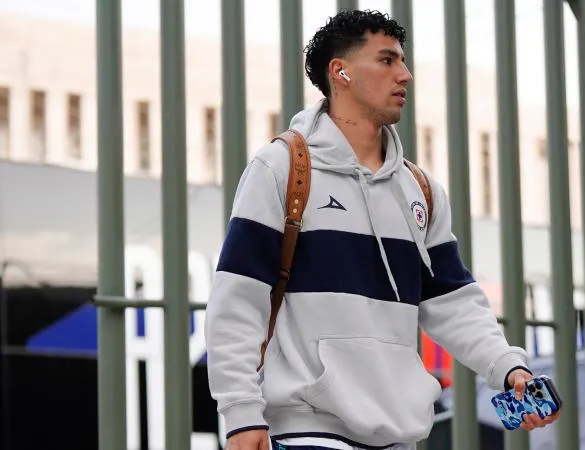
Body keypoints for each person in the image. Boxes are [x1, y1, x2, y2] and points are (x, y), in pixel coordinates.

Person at [205, 9, 559, 450]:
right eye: (387, 60)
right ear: (341, 72)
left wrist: (507, 366)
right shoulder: (282, 168)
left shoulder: (420, 189)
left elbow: (453, 301)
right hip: (308, 429)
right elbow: (238, 297)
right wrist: (240, 412)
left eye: (403, 62)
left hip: (398, 434)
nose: (405, 75)